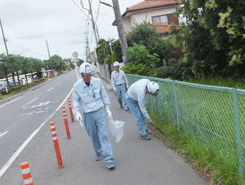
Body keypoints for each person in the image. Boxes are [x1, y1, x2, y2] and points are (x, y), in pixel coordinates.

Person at [72, 62, 115, 170]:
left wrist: (108, 109)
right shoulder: (77, 86)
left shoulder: (97, 82)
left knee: (104, 135)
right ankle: (98, 151)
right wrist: (76, 113)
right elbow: (75, 101)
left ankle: (109, 160)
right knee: (93, 135)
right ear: (81, 75)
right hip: (87, 115)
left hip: (99, 112)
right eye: (86, 75)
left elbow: (104, 96)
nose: (88, 77)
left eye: (90, 75)